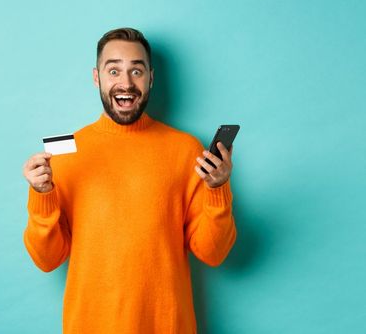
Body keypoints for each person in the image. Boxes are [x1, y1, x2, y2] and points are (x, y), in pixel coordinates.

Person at [21, 27, 236, 333]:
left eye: (136, 70)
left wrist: (217, 189)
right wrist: (41, 194)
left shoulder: (187, 150)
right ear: (97, 78)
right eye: (114, 70)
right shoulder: (65, 153)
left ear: (151, 77)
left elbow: (213, 254)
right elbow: (47, 259)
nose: (126, 83)